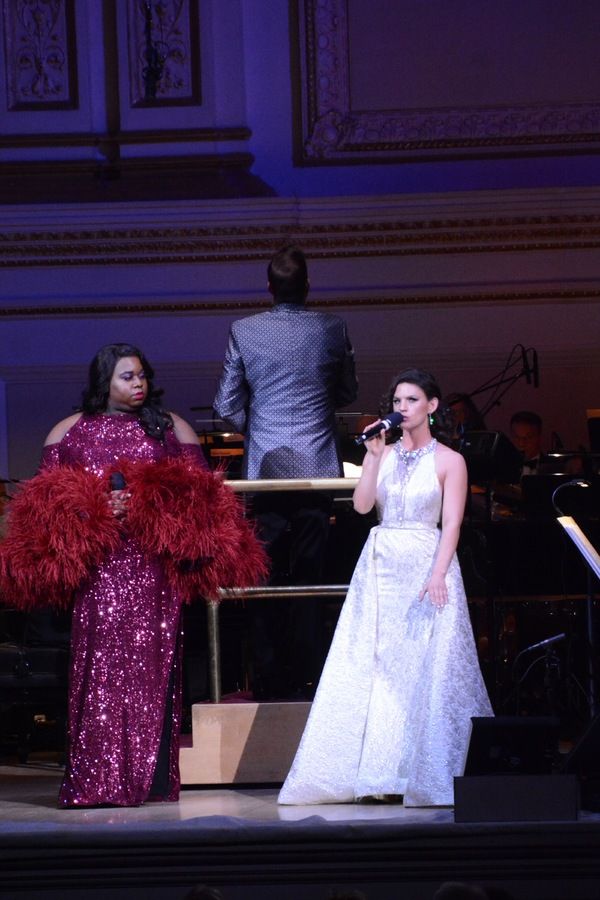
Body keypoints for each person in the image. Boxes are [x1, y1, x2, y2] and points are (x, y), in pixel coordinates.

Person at [0, 343, 267, 807]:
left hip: (151, 571)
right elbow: (41, 513)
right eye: (127, 376)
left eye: (142, 375)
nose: (138, 383)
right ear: (105, 381)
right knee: (100, 674)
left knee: (151, 673)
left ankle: (150, 782)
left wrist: (148, 505)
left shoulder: (170, 429)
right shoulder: (70, 431)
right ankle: (97, 782)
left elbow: (204, 505)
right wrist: (96, 508)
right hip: (100, 571)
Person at [278, 367, 492, 807]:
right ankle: (378, 772)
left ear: (432, 406)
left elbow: (451, 522)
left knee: (425, 666)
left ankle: (425, 772)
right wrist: (374, 456)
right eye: (397, 402)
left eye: (411, 400)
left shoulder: (450, 460)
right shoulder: (386, 454)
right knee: (377, 667)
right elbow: (360, 507)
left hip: (426, 561)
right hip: (381, 566)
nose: (402, 409)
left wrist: (437, 573)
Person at [214, 245, 358, 700]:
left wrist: (257, 429)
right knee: (313, 577)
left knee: (264, 576)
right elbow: (349, 390)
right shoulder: (331, 328)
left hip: (265, 472)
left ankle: (269, 679)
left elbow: (224, 406)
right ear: (308, 286)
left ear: (269, 288)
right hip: (317, 470)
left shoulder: (244, 330)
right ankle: (311, 675)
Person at [509, 410, 543, 476]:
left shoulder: (553, 467)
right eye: (516, 437)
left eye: (529, 437)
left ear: (539, 438)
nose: (521, 444)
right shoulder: (502, 466)